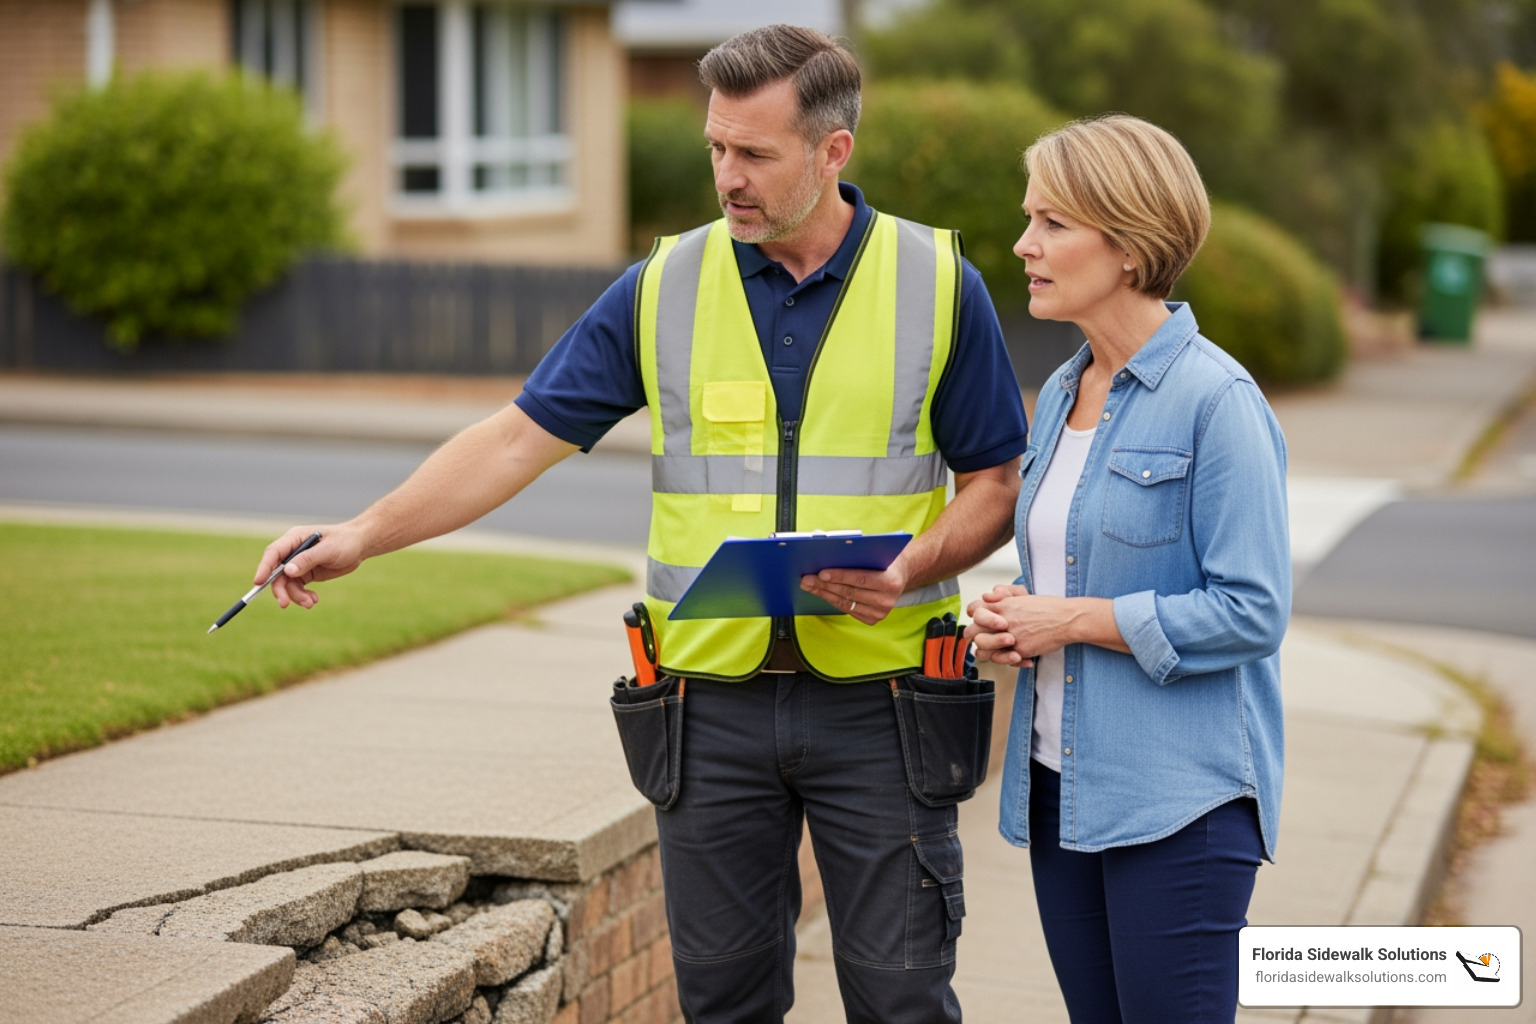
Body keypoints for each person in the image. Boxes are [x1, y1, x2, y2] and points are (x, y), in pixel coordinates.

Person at [253, 25, 1028, 1024]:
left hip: (884, 704)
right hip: (706, 710)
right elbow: (512, 440)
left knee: (902, 1000)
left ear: (833, 151)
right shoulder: (664, 286)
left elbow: (993, 483)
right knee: (722, 1004)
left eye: (755, 154)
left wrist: (911, 565)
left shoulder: (936, 283)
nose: (727, 177)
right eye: (716, 147)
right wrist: (363, 532)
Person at [964, 114, 1289, 1023]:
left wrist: (1070, 620)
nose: (1024, 244)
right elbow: (1073, 571)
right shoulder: (1062, 394)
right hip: (1059, 789)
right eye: (1029, 219)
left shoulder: (1217, 401)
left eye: (1052, 223)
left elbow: (1252, 610)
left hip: (1179, 806)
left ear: (1130, 244)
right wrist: (1018, 615)